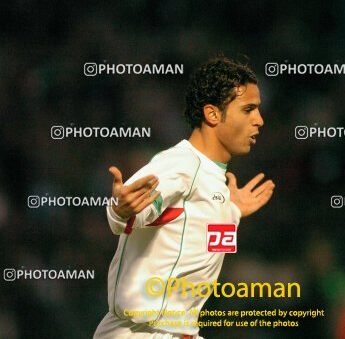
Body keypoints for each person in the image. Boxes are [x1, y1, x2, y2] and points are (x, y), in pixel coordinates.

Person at [94, 57, 275, 338]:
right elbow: (135, 213)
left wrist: (231, 213)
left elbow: (200, 249)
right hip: (141, 333)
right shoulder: (181, 164)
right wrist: (121, 210)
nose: (259, 120)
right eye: (248, 109)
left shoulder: (213, 180)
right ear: (213, 115)